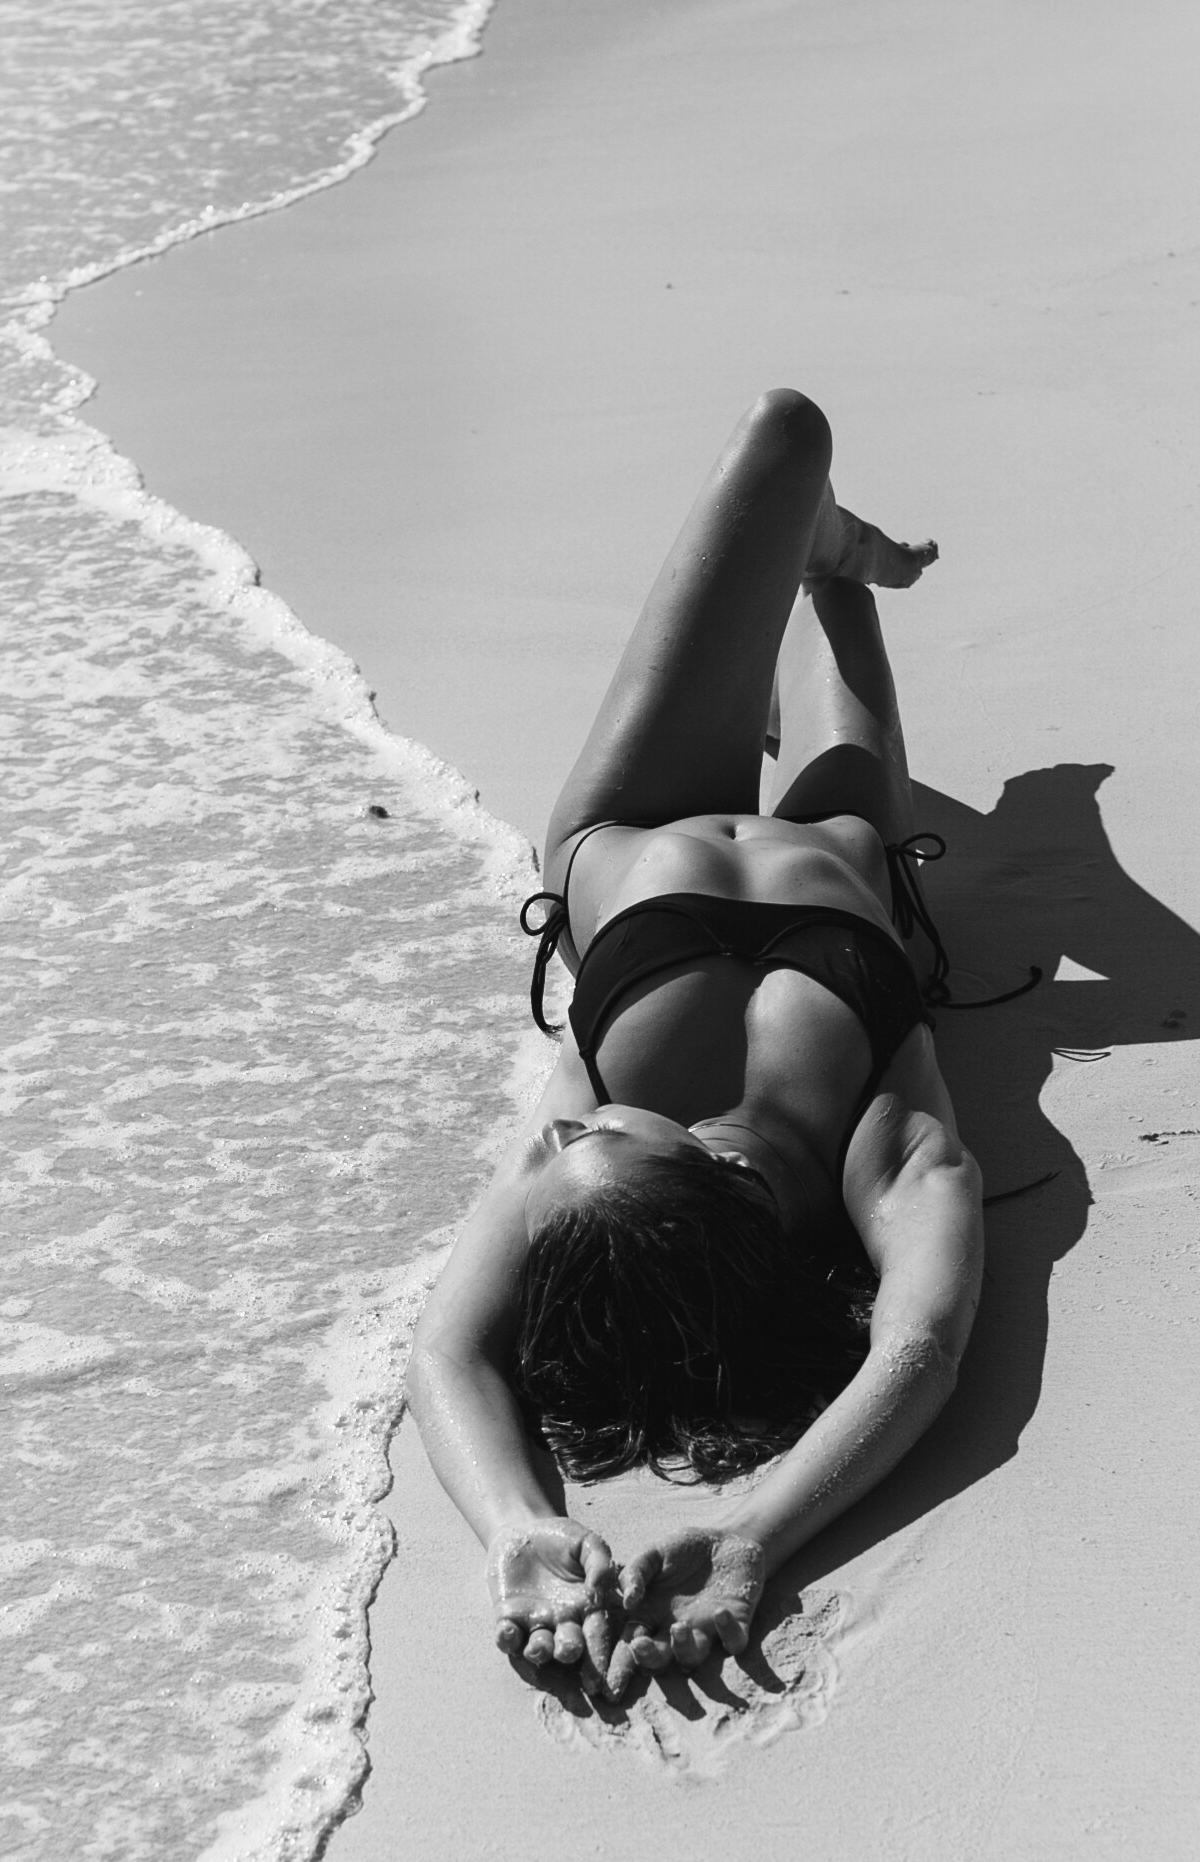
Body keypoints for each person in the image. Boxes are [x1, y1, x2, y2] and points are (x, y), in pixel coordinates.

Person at [406, 389, 1016, 1694]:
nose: (553, 1134)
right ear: (720, 1175)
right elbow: (920, 1347)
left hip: (635, 815)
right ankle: (831, 562)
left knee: (783, 435)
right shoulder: (881, 1150)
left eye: (557, 1141)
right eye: (594, 1137)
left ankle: (822, 536)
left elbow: (448, 1353)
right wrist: (753, 1537)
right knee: (831, 605)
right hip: (854, 849)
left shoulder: (587, 1191)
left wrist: (516, 1527)